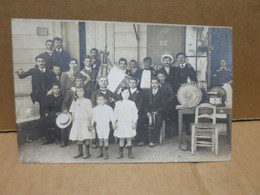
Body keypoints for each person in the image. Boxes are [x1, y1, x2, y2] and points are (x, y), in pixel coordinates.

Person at [69, 87, 95, 159]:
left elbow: (90, 113)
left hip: (85, 122)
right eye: (78, 91)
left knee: (86, 137)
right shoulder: (75, 101)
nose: (79, 92)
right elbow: (73, 112)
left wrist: (89, 123)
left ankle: (87, 152)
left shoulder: (87, 101)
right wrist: (73, 123)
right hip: (77, 122)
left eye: (81, 91)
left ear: (84, 92)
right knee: (79, 137)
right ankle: (80, 152)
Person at [113, 87, 138, 159]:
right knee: (121, 138)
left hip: (128, 123)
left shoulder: (132, 103)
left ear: (129, 94)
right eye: (123, 93)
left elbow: (135, 114)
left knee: (129, 138)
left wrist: (134, 122)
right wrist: (114, 122)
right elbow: (115, 114)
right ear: (121, 94)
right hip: (121, 123)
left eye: (127, 92)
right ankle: (120, 153)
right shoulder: (118, 104)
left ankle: (130, 152)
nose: (125, 94)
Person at [144, 77, 165, 147]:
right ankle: (143, 139)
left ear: (159, 84)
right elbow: (145, 104)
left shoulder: (163, 92)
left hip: (159, 112)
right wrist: (147, 112)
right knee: (141, 119)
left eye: (155, 83)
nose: (154, 85)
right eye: (152, 83)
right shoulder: (147, 93)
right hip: (149, 112)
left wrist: (157, 112)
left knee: (158, 122)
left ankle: (153, 140)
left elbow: (164, 106)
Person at [92, 94, 114, 159]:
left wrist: (113, 123)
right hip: (98, 126)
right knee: (100, 139)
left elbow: (112, 117)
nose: (100, 101)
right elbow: (93, 118)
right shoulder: (95, 109)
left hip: (106, 126)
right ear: (96, 101)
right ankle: (101, 153)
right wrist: (91, 124)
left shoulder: (109, 108)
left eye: (102, 99)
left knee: (105, 139)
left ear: (105, 100)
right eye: (98, 99)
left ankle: (106, 153)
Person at [128, 77, 146, 146]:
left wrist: (135, 112)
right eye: (131, 82)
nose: (132, 84)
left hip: (138, 112)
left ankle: (139, 139)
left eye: (134, 83)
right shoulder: (126, 92)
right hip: (127, 113)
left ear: (136, 83)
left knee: (140, 120)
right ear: (129, 83)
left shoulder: (140, 93)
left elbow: (140, 104)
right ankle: (128, 140)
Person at [157, 72, 175, 137]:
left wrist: (166, 102)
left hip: (166, 105)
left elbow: (172, 96)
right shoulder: (156, 84)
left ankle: (168, 133)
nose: (160, 78)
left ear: (164, 77)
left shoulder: (167, 85)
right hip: (157, 105)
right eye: (159, 76)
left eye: (162, 76)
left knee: (167, 116)